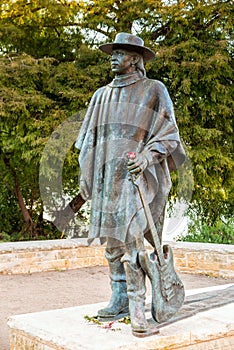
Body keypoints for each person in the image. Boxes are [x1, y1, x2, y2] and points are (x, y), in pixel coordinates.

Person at [75, 32, 185, 335]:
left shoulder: (153, 90)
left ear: (135, 59)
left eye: (119, 53)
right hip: (107, 179)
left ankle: (138, 304)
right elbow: (88, 142)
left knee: (135, 239)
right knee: (113, 242)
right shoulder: (101, 95)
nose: (113, 57)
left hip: (138, 179)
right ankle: (120, 297)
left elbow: (169, 134)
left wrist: (148, 156)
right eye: (113, 53)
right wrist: (86, 176)